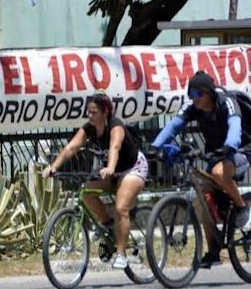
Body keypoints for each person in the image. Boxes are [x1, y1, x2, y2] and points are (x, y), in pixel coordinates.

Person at [152, 71, 251, 268]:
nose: (193, 99)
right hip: (215, 154)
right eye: (191, 95)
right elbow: (172, 127)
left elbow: (235, 126)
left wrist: (229, 146)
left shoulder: (227, 102)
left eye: (197, 94)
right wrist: (155, 147)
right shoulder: (192, 108)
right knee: (201, 200)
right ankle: (213, 249)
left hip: (241, 149)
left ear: (209, 93)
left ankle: (242, 208)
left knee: (218, 173)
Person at [43, 92, 148, 269]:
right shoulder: (89, 128)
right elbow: (71, 148)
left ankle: (121, 254)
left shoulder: (115, 126)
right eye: (88, 112)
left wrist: (111, 168)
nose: (90, 116)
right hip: (111, 171)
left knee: (121, 207)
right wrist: (54, 166)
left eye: (94, 112)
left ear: (105, 112)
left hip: (132, 168)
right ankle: (108, 225)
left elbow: (114, 147)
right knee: (86, 193)